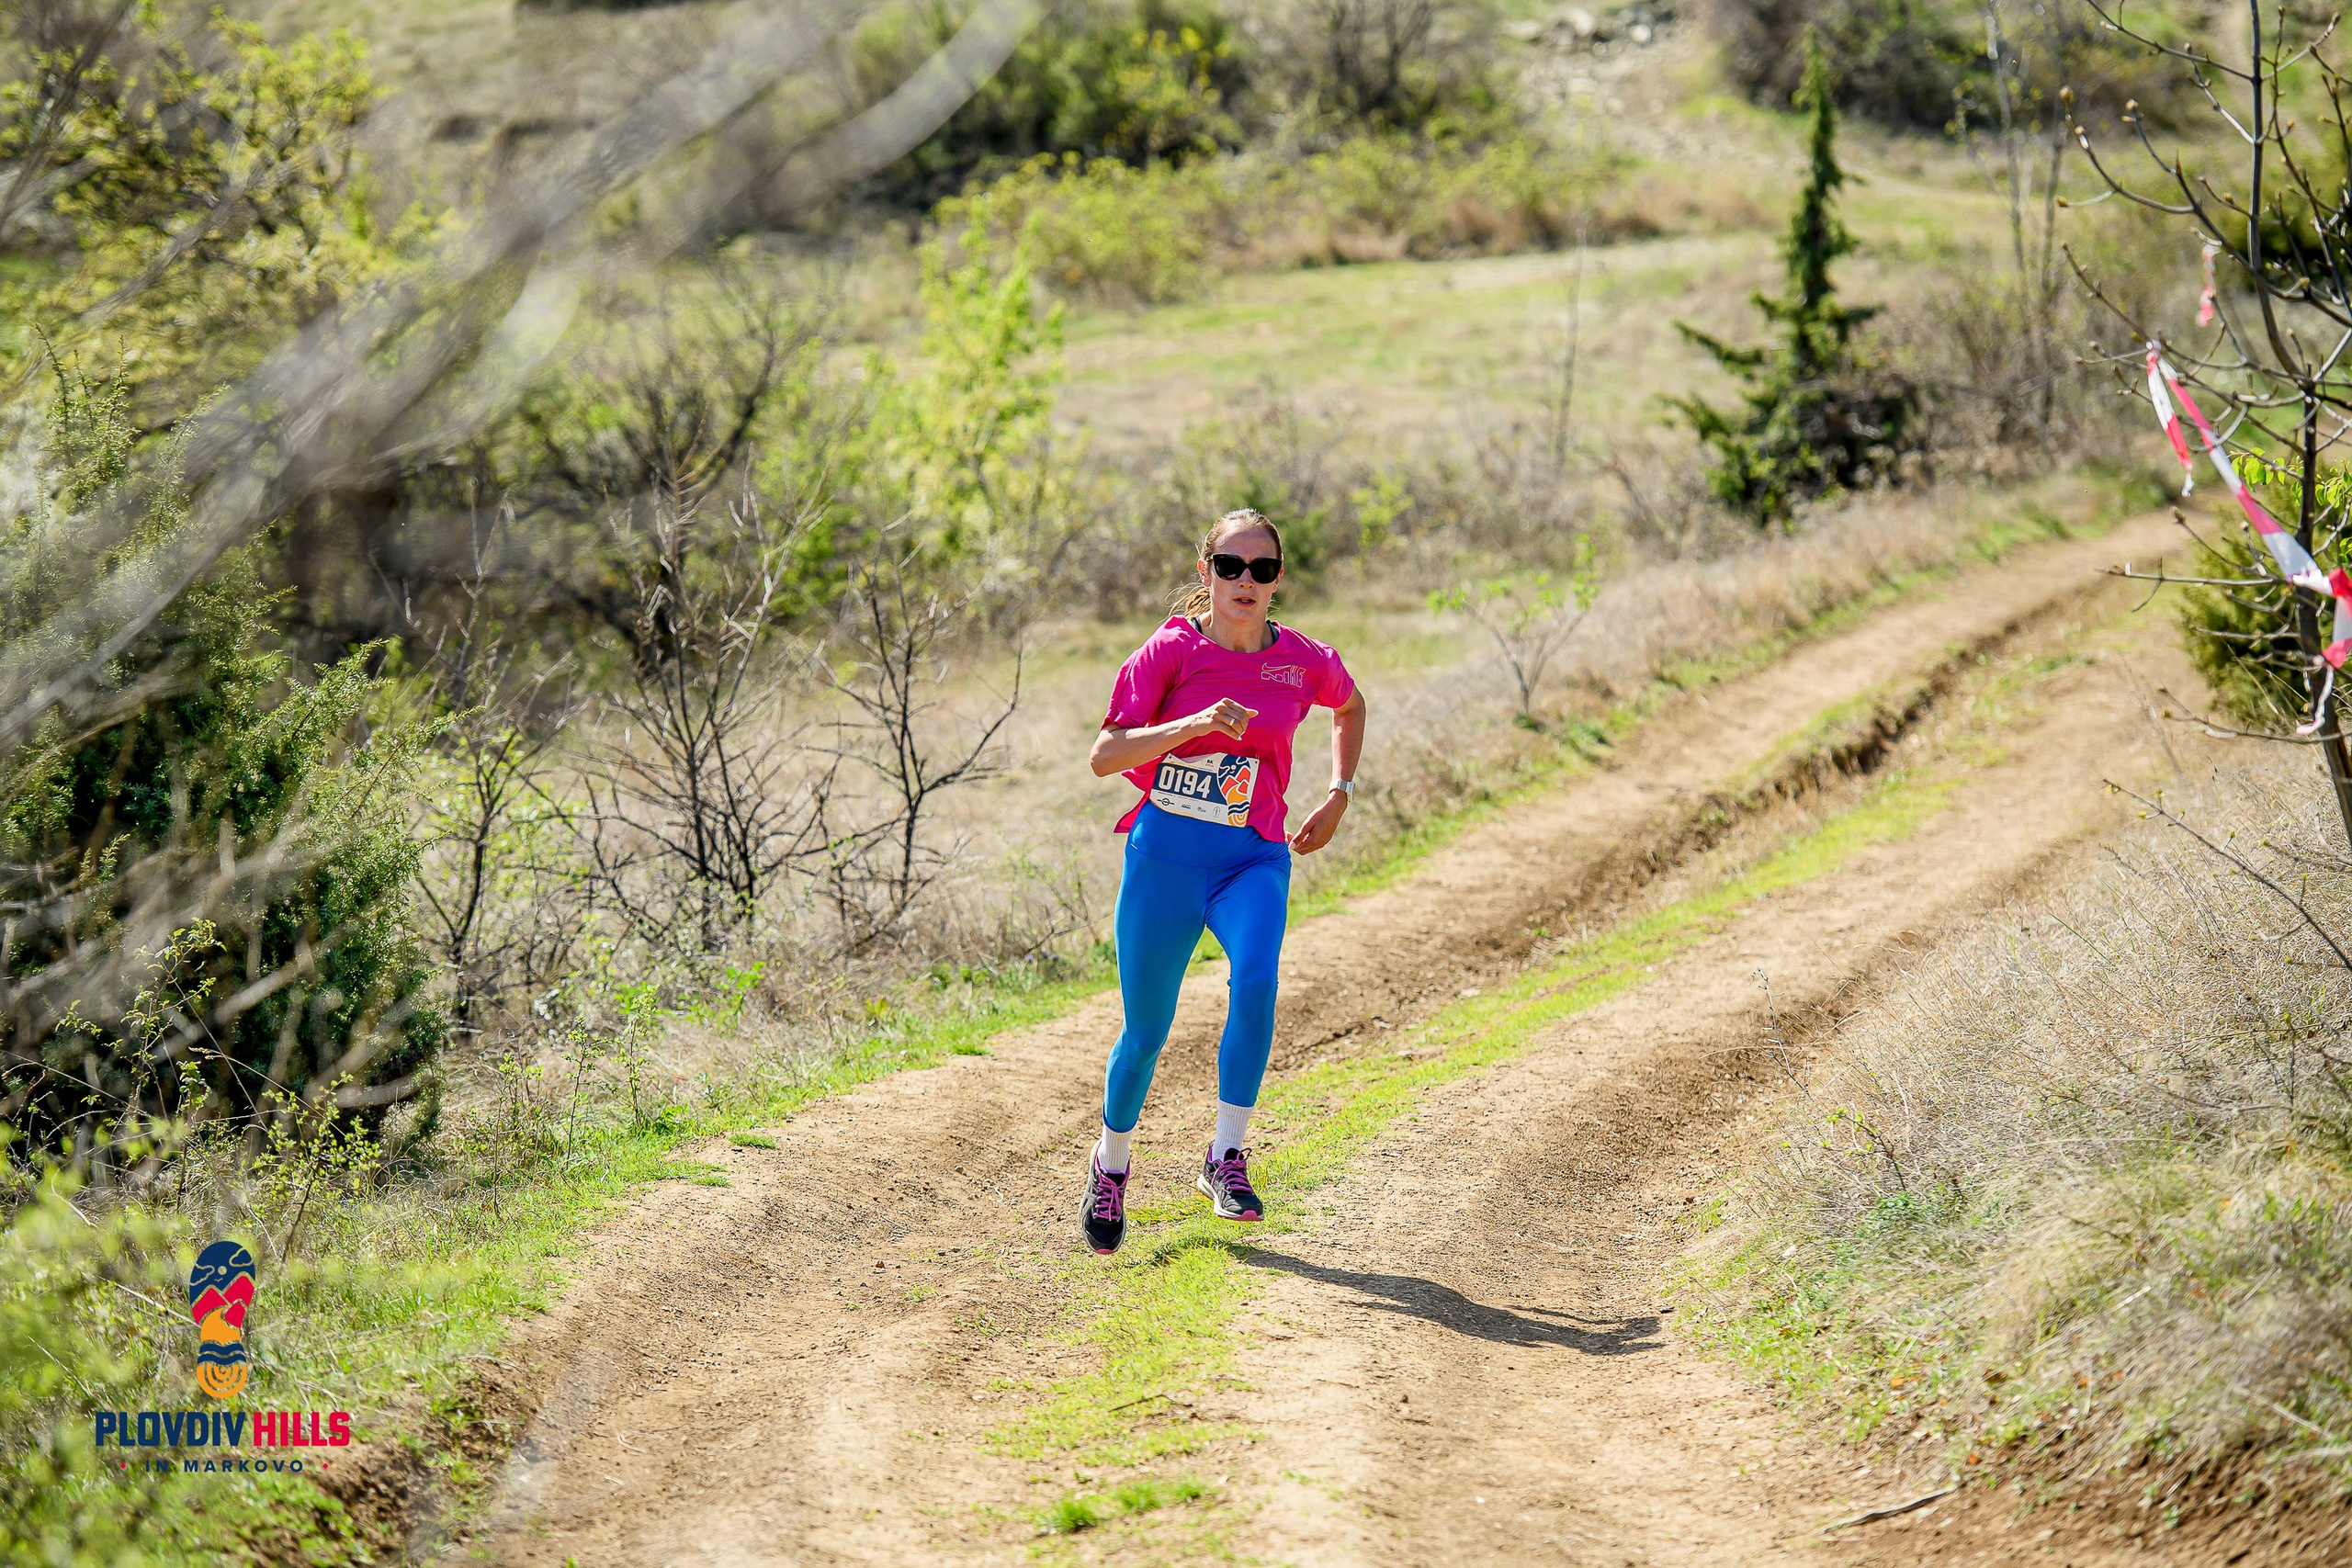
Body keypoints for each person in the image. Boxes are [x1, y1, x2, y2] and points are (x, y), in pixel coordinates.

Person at [1079, 508, 1367, 1256]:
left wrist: (1339, 791)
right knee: (1145, 1033)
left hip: (1252, 859)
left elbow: (1350, 703)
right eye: (1230, 567)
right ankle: (1111, 1163)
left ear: (1278, 580)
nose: (1246, 581)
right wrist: (1195, 722)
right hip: (1164, 864)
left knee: (1259, 980)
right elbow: (1105, 755)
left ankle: (1226, 1156)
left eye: (1262, 569)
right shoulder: (1170, 650)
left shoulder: (1301, 660)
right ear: (1205, 572)